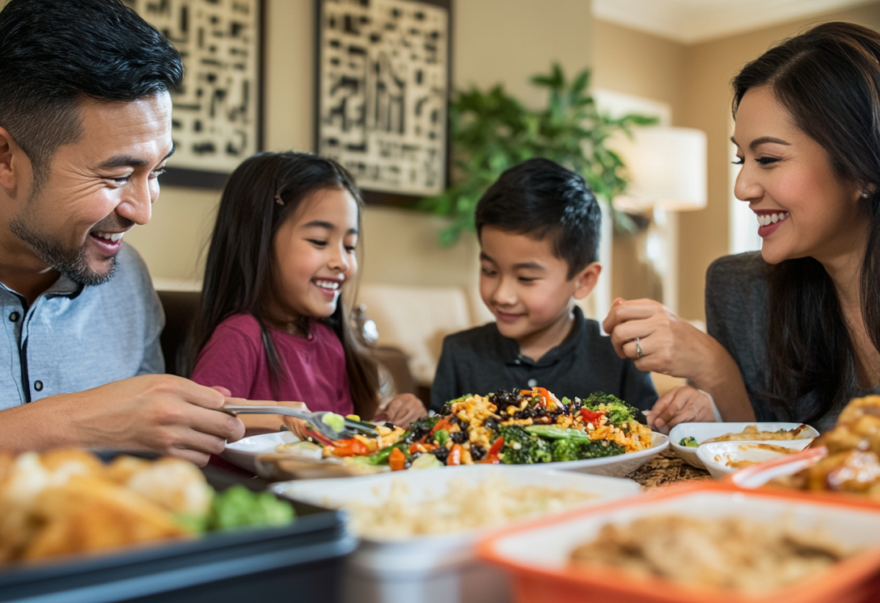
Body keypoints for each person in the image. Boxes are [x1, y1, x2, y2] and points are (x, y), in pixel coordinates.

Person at [602, 22, 880, 431]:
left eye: (767, 159)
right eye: (740, 160)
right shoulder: (742, 291)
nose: (742, 188)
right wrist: (716, 370)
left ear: (863, 170)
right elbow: (754, 464)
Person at [0, 0, 244, 462]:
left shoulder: (124, 276)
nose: (142, 211)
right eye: (115, 177)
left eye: (156, 172)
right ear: (5, 157)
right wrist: (77, 423)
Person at [188, 151, 427, 427]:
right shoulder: (239, 338)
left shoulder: (329, 343)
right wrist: (287, 420)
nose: (342, 262)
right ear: (259, 244)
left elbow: (350, 433)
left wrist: (395, 413)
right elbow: (201, 425)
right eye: (319, 241)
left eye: (349, 246)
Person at [430, 158, 658, 412]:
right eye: (489, 270)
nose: (502, 295)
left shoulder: (619, 355)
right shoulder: (459, 353)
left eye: (526, 278)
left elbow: (653, 434)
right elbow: (436, 435)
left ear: (584, 280)